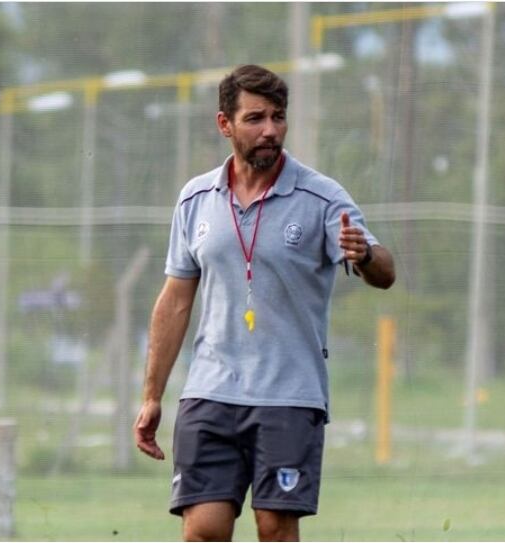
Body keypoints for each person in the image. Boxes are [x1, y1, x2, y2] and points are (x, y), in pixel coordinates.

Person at [134, 64, 395, 542]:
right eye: (255, 118)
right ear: (224, 124)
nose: (270, 130)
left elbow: (385, 272)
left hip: (289, 395)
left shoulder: (322, 197)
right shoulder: (195, 199)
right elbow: (174, 301)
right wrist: (152, 395)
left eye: (278, 117)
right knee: (204, 529)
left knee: (274, 528)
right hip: (210, 391)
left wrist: (367, 255)